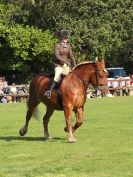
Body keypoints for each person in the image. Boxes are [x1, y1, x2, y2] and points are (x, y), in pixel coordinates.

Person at [44, 29, 76, 98]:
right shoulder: (57, 45)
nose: (66, 39)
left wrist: (75, 64)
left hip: (65, 65)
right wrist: (65, 61)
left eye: (67, 37)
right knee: (57, 76)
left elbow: (71, 55)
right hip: (58, 65)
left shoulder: (68, 46)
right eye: (64, 37)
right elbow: (57, 56)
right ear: (61, 37)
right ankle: (49, 91)